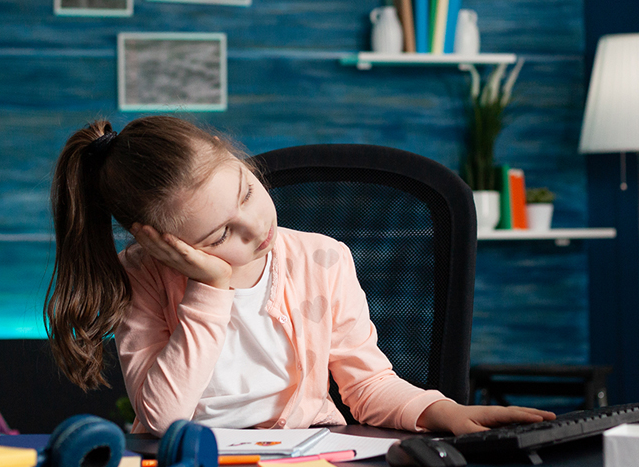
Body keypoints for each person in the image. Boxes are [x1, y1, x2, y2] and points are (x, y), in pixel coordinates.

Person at [46, 115, 554, 436]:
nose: (256, 227)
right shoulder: (143, 274)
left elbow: (368, 385)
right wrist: (209, 286)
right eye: (220, 235)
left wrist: (441, 411)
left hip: (307, 456)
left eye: (246, 193)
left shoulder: (323, 259)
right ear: (162, 242)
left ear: (240, 162)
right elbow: (163, 418)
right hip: (190, 462)